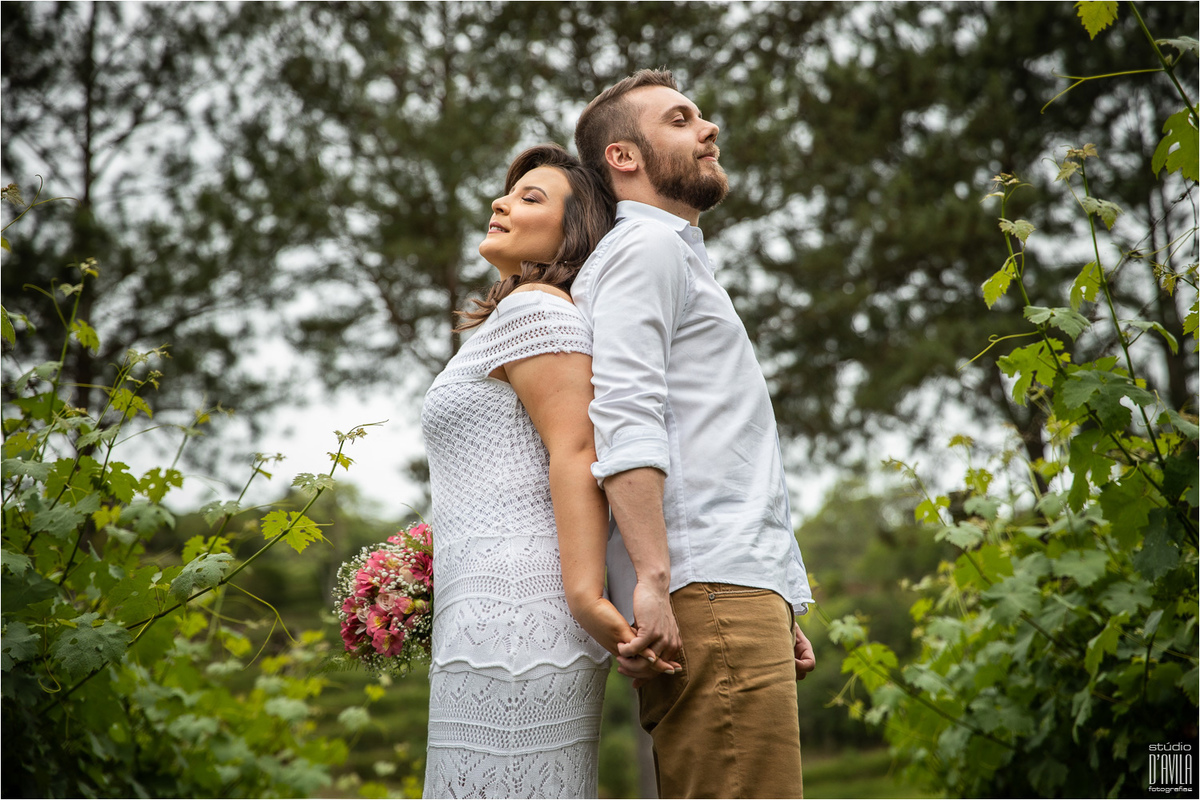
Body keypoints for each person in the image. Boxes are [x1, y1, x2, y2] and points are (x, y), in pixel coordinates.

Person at [572, 69, 817, 798]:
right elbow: (626, 412)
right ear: (625, 156)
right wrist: (654, 581)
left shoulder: (674, 256)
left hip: (732, 587)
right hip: (704, 587)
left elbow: (719, 440)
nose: (708, 129)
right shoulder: (644, 252)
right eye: (681, 120)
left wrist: (779, 596)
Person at [419, 143, 678, 799]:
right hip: (483, 606)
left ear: (574, 231)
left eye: (531, 197)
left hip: (519, 610)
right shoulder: (513, 317)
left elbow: (576, 450)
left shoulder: (535, 308)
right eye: (509, 192)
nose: (503, 202)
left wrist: (588, 600)